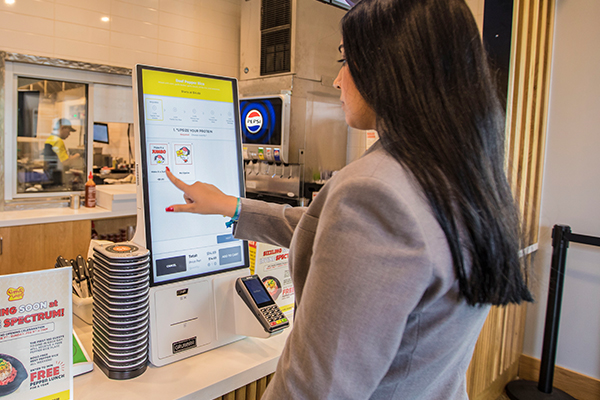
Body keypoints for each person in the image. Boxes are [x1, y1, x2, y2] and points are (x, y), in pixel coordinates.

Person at [165, 0, 533, 398]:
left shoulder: (374, 190)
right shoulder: (461, 174)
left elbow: (316, 387)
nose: (338, 80)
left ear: (390, 66)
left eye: (346, 60)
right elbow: (325, 231)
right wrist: (233, 206)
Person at [43, 118, 81, 186]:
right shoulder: (58, 141)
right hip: (55, 180)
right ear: (62, 127)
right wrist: (77, 156)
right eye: (69, 131)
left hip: (48, 177)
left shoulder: (50, 139)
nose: (69, 134)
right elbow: (65, 163)